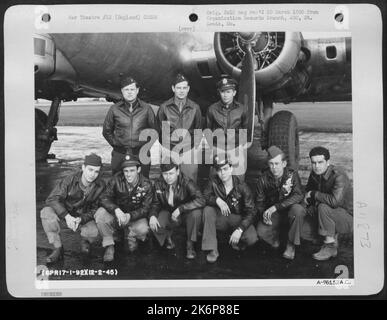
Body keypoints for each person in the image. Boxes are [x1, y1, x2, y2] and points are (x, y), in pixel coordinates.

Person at [40, 154, 106, 264]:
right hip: (65, 212)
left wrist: (82, 219)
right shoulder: (69, 179)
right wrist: (67, 216)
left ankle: (86, 243)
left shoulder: (101, 185)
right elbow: (52, 199)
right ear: (83, 167)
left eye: (96, 171)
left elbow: (96, 208)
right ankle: (58, 248)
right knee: (46, 213)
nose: (93, 174)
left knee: (92, 232)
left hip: (83, 216)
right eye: (90, 169)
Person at [96, 153, 152, 262]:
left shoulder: (146, 184)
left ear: (139, 169)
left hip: (134, 218)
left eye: (132, 170)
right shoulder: (115, 180)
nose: (128, 174)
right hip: (118, 216)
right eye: (126, 171)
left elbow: (146, 208)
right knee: (100, 214)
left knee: (143, 230)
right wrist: (116, 210)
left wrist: (130, 216)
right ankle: (109, 245)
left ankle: (132, 236)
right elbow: (103, 198)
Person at [202, 154, 258, 263]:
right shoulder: (213, 182)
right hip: (221, 218)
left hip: (237, 219)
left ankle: (232, 239)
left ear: (231, 168)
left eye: (225, 169)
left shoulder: (242, 186)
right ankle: (212, 249)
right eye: (219, 170)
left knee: (252, 238)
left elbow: (251, 211)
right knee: (207, 210)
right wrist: (217, 200)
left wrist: (240, 229)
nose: (223, 173)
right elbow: (204, 197)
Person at [255, 146, 304, 260]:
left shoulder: (292, 175)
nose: (274, 167)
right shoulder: (263, 179)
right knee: (261, 231)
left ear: (284, 163)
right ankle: (276, 238)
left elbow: (298, 195)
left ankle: (291, 245)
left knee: (298, 210)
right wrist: (264, 214)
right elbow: (259, 202)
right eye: (271, 164)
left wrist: (276, 207)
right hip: (275, 213)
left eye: (277, 164)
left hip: (291, 210)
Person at [149, 159, 205, 259]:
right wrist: (152, 215)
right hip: (169, 212)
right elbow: (155, 203)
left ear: (178, 171)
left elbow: (201, 200)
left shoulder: (187, 182)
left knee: (196, 214)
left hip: (185, 214)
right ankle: (167, 237)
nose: (168, 177)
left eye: (171, 173)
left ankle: (190, 244)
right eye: (165, 174)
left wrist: (181, 208)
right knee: (155, 221)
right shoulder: (158, 183)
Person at [304, 146, 353, 261]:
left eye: (320, 162)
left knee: (323, 207)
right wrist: (310, 204)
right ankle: (327, 236)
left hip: (347, 219)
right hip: (327, 215)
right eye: (314, 163)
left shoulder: (339, 175)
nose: (317, 166)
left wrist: (314, 194)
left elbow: (334, 202)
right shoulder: (314, 173)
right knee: (304, 232)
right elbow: (307, 193)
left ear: (328, 162)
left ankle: (330, 246)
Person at [102, 76, 158, 177]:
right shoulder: (114, 109)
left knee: (143, 183)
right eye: (126, 89)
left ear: (137, 90)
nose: (129, 92)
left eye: (132, 89)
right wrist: (116, 144)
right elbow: (106, 131)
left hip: (141, 153)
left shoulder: (146, 109)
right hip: (120, 153)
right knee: (118, 184)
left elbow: (155, 130)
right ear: (122, 91)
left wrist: (145, 146)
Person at [157, 73, 202, 183]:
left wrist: (191, 150)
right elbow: (161, 132)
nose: (181, 91)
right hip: (170, 151)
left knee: (190, 182)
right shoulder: (164, 108)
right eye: (178, 88)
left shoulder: (195, 108)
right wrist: (171, 151)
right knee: (169, 182)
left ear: (188, 89)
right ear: (173, 88)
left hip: (188, 151)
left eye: (184, 88)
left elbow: (198, 130)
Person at [206, 77, 248, 179]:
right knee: (216, 178)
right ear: (219, 93)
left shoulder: (242, 109)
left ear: (234, 93)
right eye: (222, 92)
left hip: (235, 148)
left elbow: (245, 128)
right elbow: (208, 130)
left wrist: (241, 147)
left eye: (228, 92)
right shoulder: (212, 109)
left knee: (238, 177)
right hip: (218, 148)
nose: (225, 95)